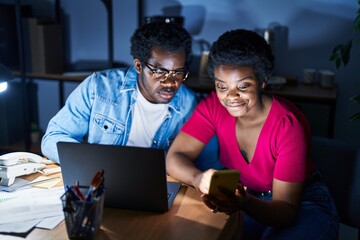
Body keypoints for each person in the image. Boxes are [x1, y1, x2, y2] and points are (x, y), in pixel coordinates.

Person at [166, 29, 339, 239]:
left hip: (302, 205)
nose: (231, 96)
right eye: (222, 86)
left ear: (263, 81)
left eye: (243, 86)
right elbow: (175, 158)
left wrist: (244, 202)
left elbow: (285, 212)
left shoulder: (288, 125)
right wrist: (197, 177)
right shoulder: (213, 106)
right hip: (247, 199)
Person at [41, 21, 219, 165]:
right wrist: (95, 163)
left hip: (159, 190)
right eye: (160, 72)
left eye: (178, 72)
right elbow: (53, 139)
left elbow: (208, 163)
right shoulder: (99, 88)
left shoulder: (189, 104)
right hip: (101, 183)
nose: (171, 82)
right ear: (138, 66)